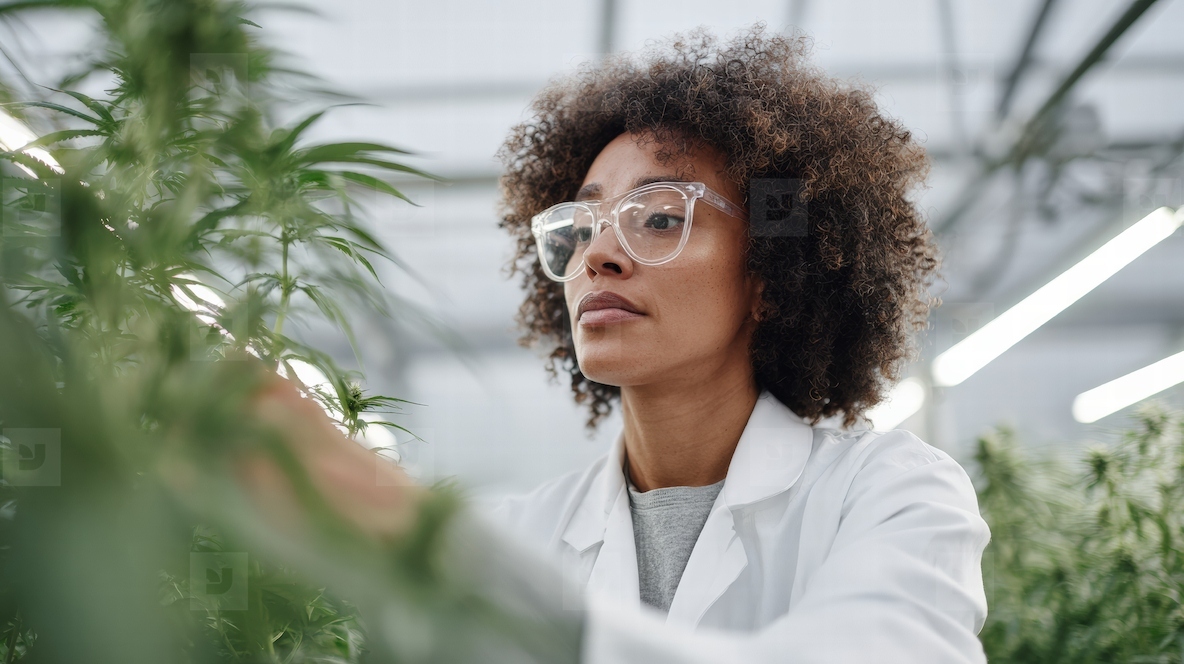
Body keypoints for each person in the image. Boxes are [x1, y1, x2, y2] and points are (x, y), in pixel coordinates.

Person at [246, 25, 990, 664]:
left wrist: (464, 569)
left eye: (660, 218)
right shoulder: (519, 531)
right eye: (582, 225)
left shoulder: (895, 494)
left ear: (770, 275)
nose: (598, 253)